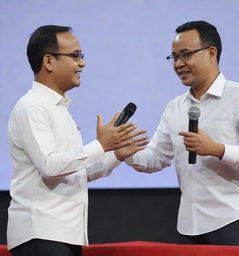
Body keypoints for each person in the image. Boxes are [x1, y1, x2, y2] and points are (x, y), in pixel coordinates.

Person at [7, 25, 148, 256]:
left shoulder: (59, 109)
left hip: (63, 235)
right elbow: (50, 167)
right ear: (49, 62)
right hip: (41, 234)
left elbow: (76, 172)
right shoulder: (32, 107)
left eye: (81, 56)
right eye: (75, 56)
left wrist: (115, 154)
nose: (82, 63)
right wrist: (101, 144)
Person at [115, 20, 239, 246]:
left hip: (234, 221)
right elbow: (157, 158)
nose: (178, 64)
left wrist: (218, 150)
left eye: (185, 55)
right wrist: (127, 154)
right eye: (174, 57)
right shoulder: (175, 107)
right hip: (190, 225)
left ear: (212, 53)